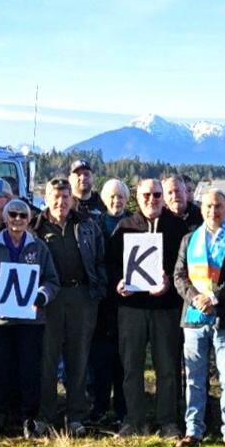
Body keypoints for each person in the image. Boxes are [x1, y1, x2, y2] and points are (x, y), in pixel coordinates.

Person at [0, 197, 58, 437]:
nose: (18, 220)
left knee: (29, 369)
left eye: (23, 215)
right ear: (5, 217)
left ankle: (28, 418)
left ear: (29, 219)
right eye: (13, 214)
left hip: (31, 320)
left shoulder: (39, 247)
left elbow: (51, 281)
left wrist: (41, 297)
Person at [111, 178, 186, 436]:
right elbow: (110, 265)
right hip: (132, 308)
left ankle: (167, 421)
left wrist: (169, 287)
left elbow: (184, 270)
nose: (151, 199)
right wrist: (118, 284)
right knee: (131, 366)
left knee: (167, 367)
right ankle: (134, 420)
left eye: (156, 195)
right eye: (146, 194)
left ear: (163, 197)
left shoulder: (178, 228)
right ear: (137, 196)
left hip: (166, 309)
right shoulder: (124, 227)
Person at [173, 187, 225, 447]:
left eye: (218, 206)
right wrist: (195, 297)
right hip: (193, 318)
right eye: (208, 206)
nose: (213, 211)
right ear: (201, 208)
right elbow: (179, 276)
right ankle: (194, 429)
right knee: (194, 377)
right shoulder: (189, 239)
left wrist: (214, 297)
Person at [34, 177, 106, 434]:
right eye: (55, 196)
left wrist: (97, 289)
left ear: (72, 200)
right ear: (46, 199)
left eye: (65, 197)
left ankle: (76, 416)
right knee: (47, 359)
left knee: (78, 358)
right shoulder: (36, 227)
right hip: (48, 300)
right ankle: (45, 415)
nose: (60, 201)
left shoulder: (88, 225)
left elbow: (100, 259)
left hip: (81, 297)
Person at [88, 178, 130, 427]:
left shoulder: (136, 224)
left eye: (121, 196)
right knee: (100, 356)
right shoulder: (95, 225)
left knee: (123, 357)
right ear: (105, 200)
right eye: (112, 197)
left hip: (127, 299)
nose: (117, 201)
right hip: (102, 299)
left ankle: (123, 408)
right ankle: (100, 404)